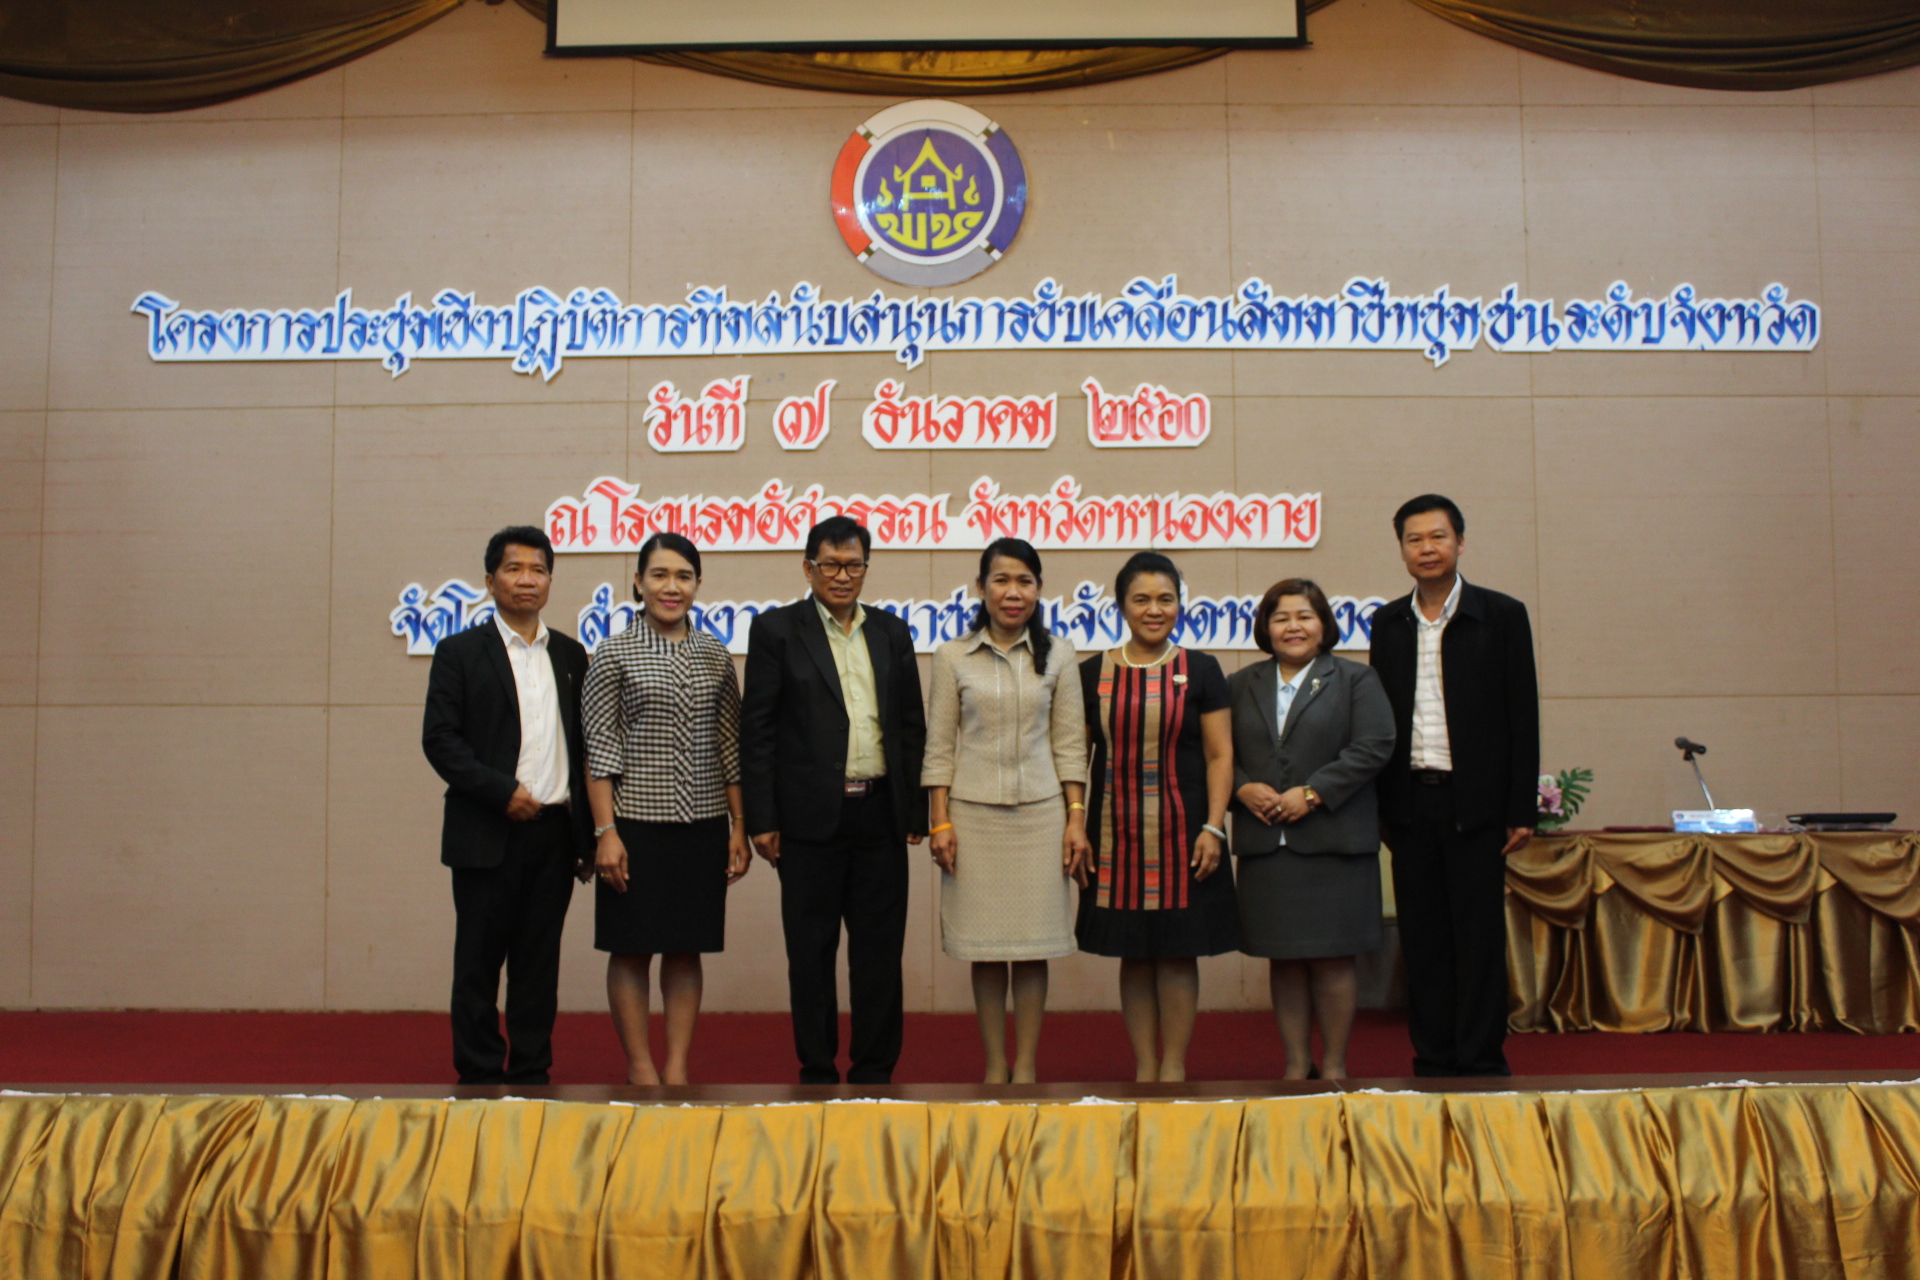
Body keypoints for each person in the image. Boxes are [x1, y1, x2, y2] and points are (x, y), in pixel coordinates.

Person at [741, 516, 927, 1086]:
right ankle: (817, 1069)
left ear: (867, 569)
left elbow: (910, 727)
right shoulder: (776, 631)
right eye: (830, 565)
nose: (842, 576)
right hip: (806, 820)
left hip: (878, 814)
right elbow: (759, 731)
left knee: (878, 957)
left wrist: (915, 810)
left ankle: (874, 1071)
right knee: (811, 953)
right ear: (808, 568)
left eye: (853, 565)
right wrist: (762, 819)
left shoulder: (892, 633)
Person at [1370, 494, 1539, 1077]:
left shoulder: (1502, 615)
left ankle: (1482, 1058)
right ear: (1402, 550)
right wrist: (1382, 809)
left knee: (1478, 938)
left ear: (1460, 542)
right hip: (1411, 802)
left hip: (1478, 804)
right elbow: (1381, 722)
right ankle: (1434, 1055)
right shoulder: (1387, 623)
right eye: (1414, 539)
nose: (1427, 548)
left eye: (1438, 536)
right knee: (1423, 939)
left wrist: (1520, 807)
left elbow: (1524, 714)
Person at [422, 525, 593, 1086]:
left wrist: (586, 835)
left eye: (538, 570)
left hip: (553, 834)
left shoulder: (570, 654)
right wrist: (502, 793)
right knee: (477, 963)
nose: (527, 579)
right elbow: (441, 740)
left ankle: (530, 1070)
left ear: (549, 579)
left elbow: (586, 748)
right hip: (487, 831)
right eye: (515, 569)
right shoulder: (459, 653)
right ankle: (476, 1074)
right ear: (490, 578)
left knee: (538, 965)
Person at [581, 532, 748, 1086]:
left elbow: (731, 746)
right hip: (632, 827)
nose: (671, 587)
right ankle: (640, 1066)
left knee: (685, 949)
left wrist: (738, 828)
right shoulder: (613, 653)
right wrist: (605, 830)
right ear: (638, 582)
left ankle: (676, 1067)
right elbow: (598, 749)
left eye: (683, 576)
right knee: (631, 950)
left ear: (697, 585)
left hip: (702, 825)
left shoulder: (714, 653)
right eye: (659, 575)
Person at [924, 538, 1090, 1084]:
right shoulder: (952, 656)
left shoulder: (1060, 654)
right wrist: (940, 820)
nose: (1012, 592)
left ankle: (1026, 1066)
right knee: (987, 948)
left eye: (1024, 581)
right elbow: (940, 746)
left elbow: (1070, 743)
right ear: (981, 588)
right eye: (1001, 580)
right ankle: (996, 1064)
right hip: (971, 817)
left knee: (1034, 945)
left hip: (1043, 816)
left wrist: (1075, 817)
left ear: (1039, 590)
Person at [1076, 552, 1239, 1082]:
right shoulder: (1090, 673)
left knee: (1176, 951)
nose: (1154, 609)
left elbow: (1220, 755)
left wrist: (1215, 825)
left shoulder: (1202, 669)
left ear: (1179, 603)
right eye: (1141, 599)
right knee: (1134, 951)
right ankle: (1145, 1066)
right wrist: (1074, 822)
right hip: (1113, 832)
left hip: (1185, 831)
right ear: (1121, 605)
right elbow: (1075, 758)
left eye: (1165, 598)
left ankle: (1173, 1066)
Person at [1230, 578, 1395, 1082]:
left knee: (1331, 960)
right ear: (1265, 627)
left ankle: (1338, 1066)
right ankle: (1297, 1064)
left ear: (1323, 625)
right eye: (1281, 618)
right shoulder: (1241, 684)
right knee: (1284, 961)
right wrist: (1240, 788)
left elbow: (1375, 744)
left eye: (1304, 616)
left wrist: (1313, 792)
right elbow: (1215, 754)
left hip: (1334, 842)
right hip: (1266, 845)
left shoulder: (1354, 680)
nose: (1293, 627)